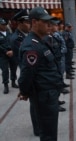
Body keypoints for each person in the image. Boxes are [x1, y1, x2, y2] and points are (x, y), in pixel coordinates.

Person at [18, 7, 63, 140]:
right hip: (44, 96)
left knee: (50, 131)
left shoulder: (40, 40)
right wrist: (25, 91)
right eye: (45, 22)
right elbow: (27, 73)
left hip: (49, 94)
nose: (49, 26)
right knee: (48, 134)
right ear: (34, 22)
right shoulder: (32, 46)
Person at [9, 9, 31, 89]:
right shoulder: (16, 38)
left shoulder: (28, 34)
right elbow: (24, 61)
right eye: (27, 22)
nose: (30, 25)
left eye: (30, 22)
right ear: (19, 23)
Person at [0, 17, 14, 94]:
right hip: (2, 55)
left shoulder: (9, 33)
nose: (4, 26)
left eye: (5, 24)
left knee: (13, 68)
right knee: (5, 70)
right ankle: (6, 85)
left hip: (11, 53)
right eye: (2, 25)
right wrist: (6, 51)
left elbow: (13, 42)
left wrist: (12, 50)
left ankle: (13, 82)